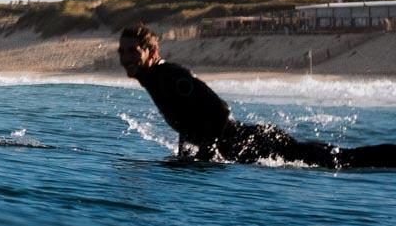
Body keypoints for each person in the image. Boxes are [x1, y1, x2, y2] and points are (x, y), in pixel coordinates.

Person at [118, 25, 396, 169]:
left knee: (338, 161)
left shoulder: (167, 76)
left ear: (152, 53)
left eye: (133, 51)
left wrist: (209, 150)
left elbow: (220, 110)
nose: (125, 58)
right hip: (244, 143)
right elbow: (190, 120)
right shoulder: (154, 80)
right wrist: (186, 153)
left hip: (250, 142)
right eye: (123, 52)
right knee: (336, 159)